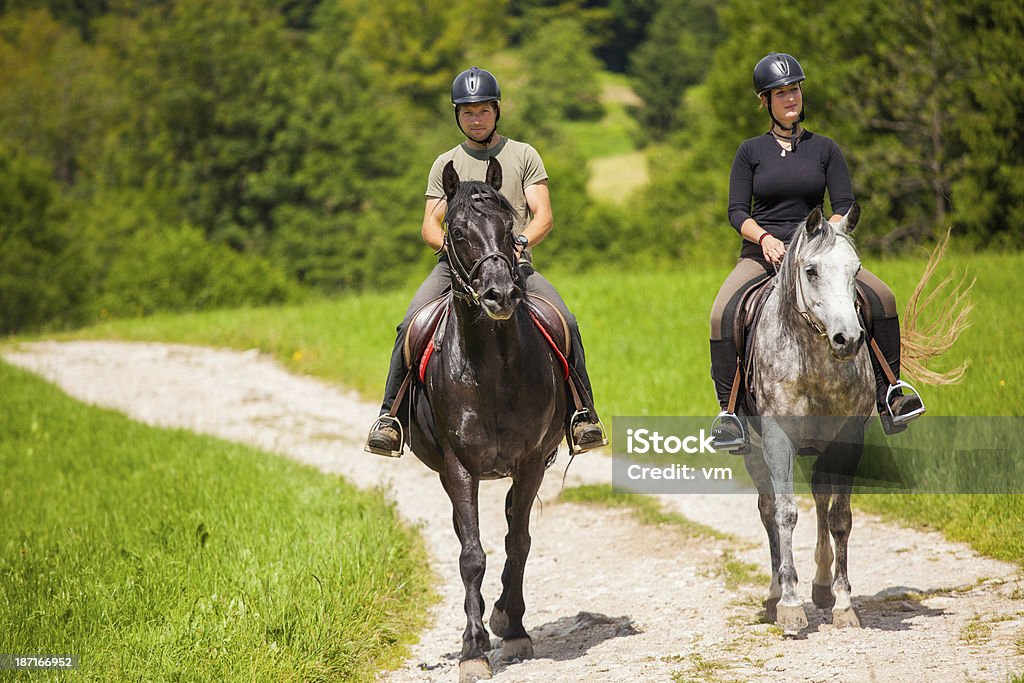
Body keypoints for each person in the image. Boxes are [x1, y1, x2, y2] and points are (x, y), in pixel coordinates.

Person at [365, 66, 606, 457]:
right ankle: (389, 418)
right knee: (410, 323)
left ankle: (583, 415)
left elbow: (542, 214)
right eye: (467, 112)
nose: (475, 119)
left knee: (566, 320)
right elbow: (430, 223)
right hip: (457, 268)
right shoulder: (447, 164)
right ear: (457, 116)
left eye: (482, 111)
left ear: (496, 111)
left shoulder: (523, 155)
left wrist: (520, 243)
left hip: (513, 264)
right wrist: (452, 249)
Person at [709, 52, 925, 451]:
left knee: (883, 298)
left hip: (819, 251)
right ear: (765, 101)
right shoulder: (750, 151)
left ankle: (891, 393)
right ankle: (731, 414)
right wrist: (764, 239)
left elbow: (843, 203)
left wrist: (832, 234)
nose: (790, 98)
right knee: (722, 313)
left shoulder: (825, 149)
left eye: (795, 90)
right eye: (781, 93)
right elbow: (736, 210)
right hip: (765, 253)